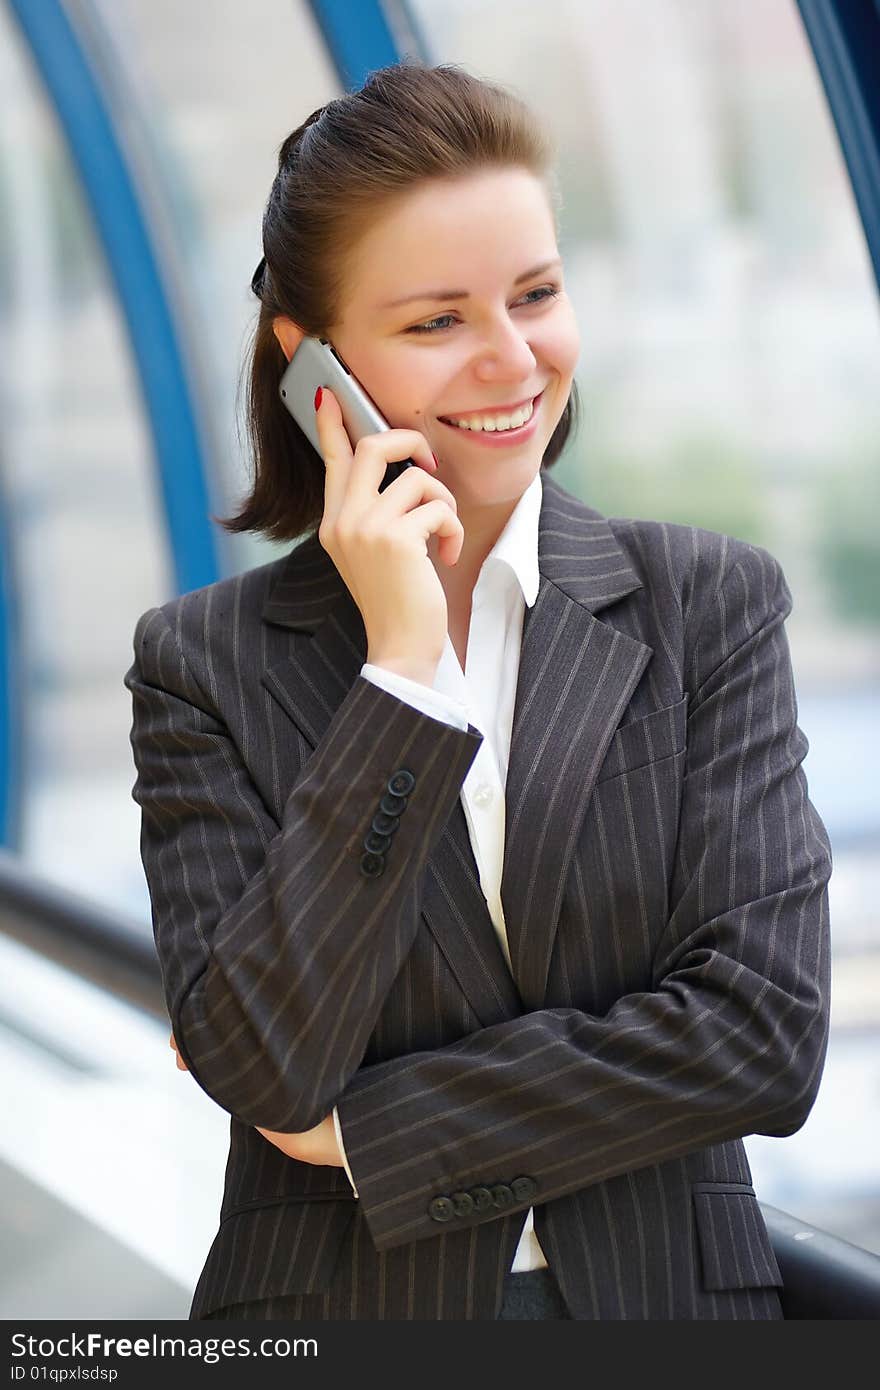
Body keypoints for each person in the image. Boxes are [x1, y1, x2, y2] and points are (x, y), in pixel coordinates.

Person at [125, 61, 832, 1321]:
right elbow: (265, 1067)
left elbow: (761, 1035)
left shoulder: (708, 605)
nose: (513, 362)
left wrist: (377, 1129)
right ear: (313, 365)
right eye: (436, 321)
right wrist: (402, 674)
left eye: (537, 295)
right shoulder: (203, 665)